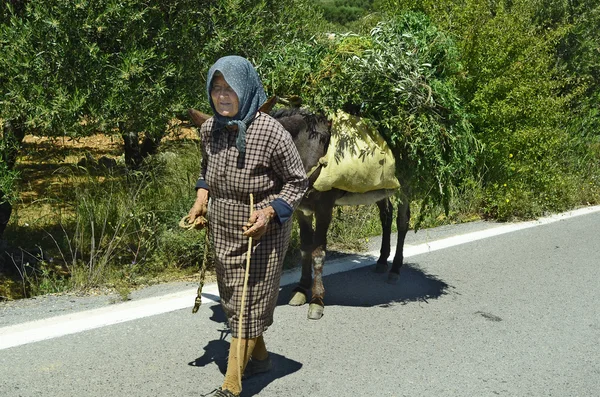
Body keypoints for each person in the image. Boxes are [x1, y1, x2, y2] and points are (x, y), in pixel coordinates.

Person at [187, 55, 308, 397]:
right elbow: (204, 172)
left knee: (249, 300)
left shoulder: (270, 132)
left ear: (247, 89)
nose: (222, 96)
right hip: (224, 228)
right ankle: (262, 359)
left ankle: (231, 384)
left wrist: (269, 213)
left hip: (262, 232)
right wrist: (200, 202)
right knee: (233, 300)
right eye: (216, 88)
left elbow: (297, 183)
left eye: (230, 89)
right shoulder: (209, 129)